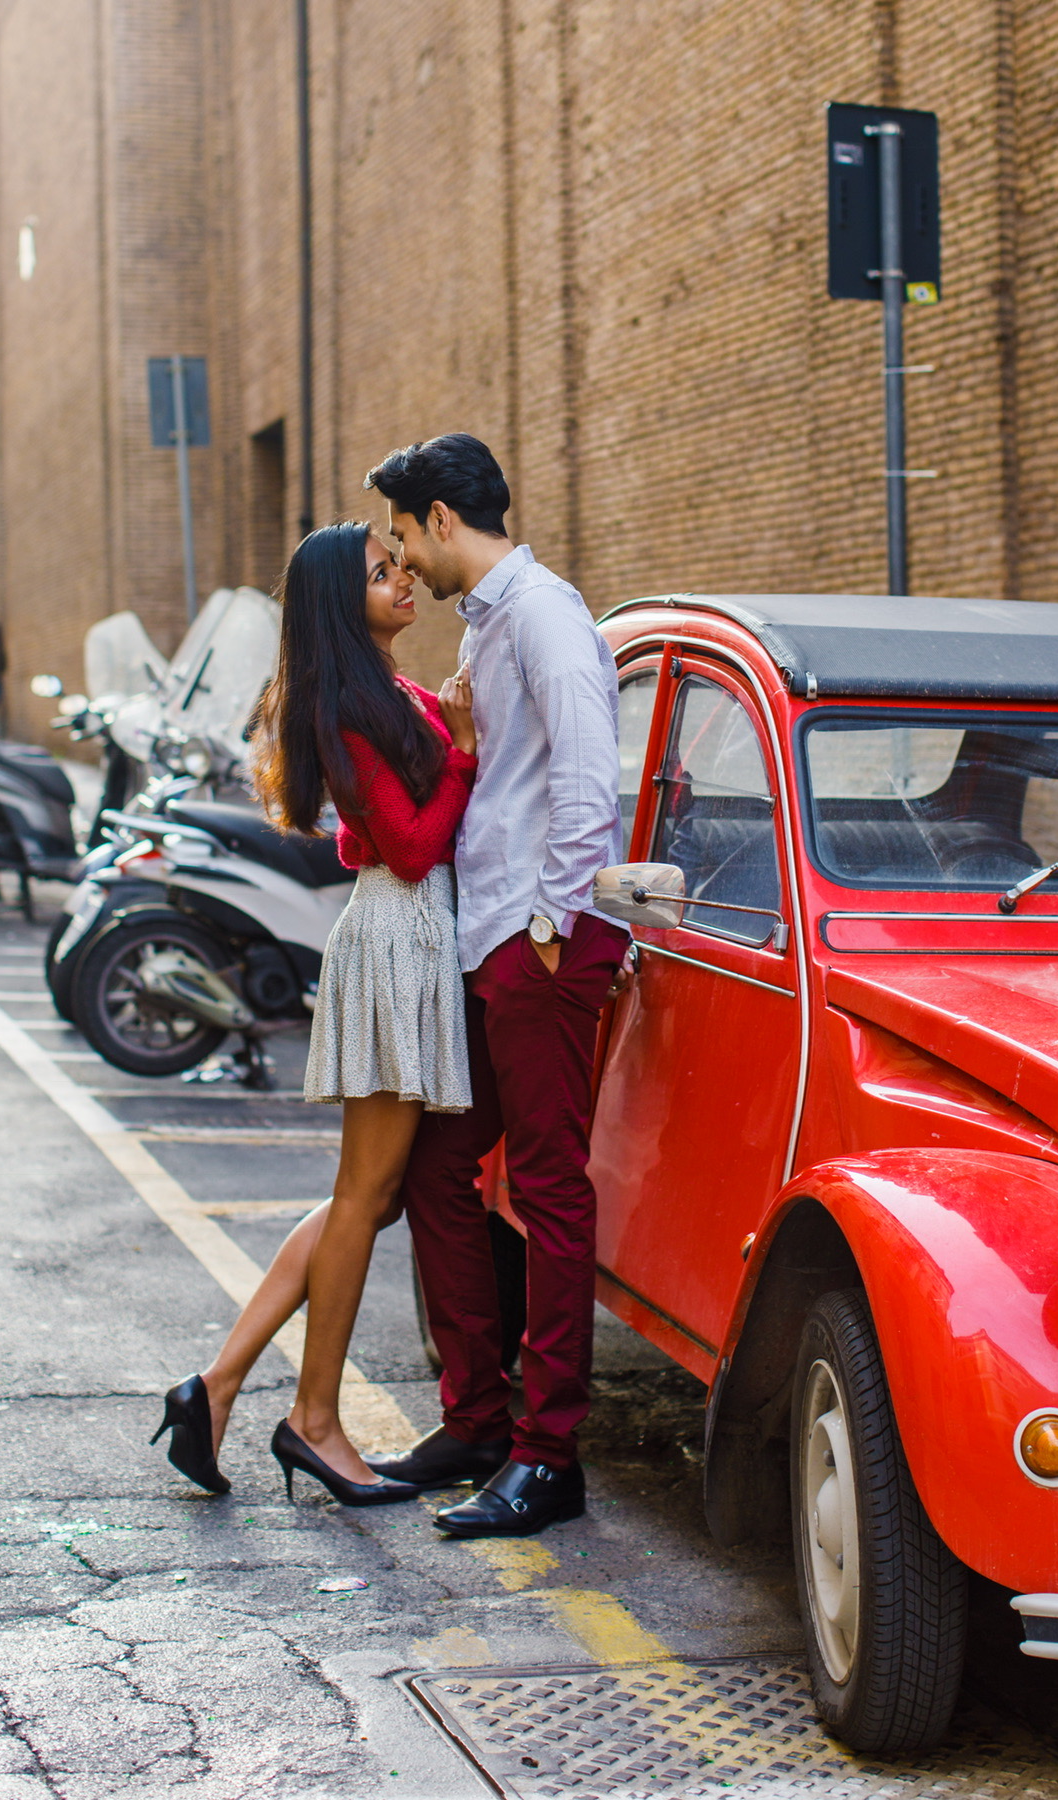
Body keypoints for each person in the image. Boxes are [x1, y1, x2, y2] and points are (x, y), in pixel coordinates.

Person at [150, 520, 478, 1505]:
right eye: (381, 576)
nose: (402, 581)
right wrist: (460, 754)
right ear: (346, 602)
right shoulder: (347, 707)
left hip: (404, 936)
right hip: (396, 942)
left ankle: (215, 1390)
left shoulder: (390, 694)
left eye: (397, 567)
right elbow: (414, 848)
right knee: (362, 1196)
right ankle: (314, 1421)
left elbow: (361, 840)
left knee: (365, 1200)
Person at [363, 433, 628, 1539]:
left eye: (402, 537)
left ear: (437, 517)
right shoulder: (493, 624)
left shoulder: (547, 614)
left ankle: (546, 1455)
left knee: (554, 1189)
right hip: (496, 937)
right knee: (436, 1166)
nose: (403, 564)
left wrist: (557, 924)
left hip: (542, 937)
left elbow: (588, 777)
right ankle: (474, 1420)